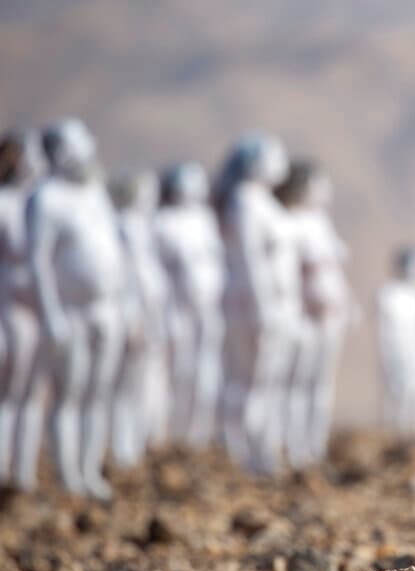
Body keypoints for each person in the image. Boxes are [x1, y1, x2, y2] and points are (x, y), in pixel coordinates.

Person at [28, 118, 125, 499]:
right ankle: (67, 476)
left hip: (106, 309)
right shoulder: (46, 199)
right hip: (71, 312)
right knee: (69, 393)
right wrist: (50, 314)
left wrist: (124, 301)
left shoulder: (94, 192)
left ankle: (89, 470)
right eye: (80, 141)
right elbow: (38, 261)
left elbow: (116, 248)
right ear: (62, 151)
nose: (90, 146)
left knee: (98, 394)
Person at [0, 129, 48, 490]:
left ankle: (24, 472)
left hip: (37, 313)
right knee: (6, 391)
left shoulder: (40, 202)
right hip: (8, 310)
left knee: (32, 392)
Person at [214, 135, 291, 473]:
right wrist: (262, 306)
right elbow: (250, 259)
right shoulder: (245, 201)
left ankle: (262, 449)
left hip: (276, 304)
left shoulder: (264, 202)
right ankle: (243, 451)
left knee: (268, 381)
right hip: (252, 305)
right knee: (250, 381)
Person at [278, 160, 353, 465]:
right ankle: (295, 446)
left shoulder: (321, 222)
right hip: (303, 316)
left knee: (321, 384)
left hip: (329, 316)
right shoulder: (289, 222)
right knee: (298, 382)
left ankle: (315, 443)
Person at [155, 162, 225, 451]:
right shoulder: (163, 222)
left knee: (206, 372)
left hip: (208, 308)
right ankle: (174, 434)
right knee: (179, 372)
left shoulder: (205, 220)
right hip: (177, 308)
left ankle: (199, 434)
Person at [109, 171, 168, 467]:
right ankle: (122, 449)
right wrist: (132, 316)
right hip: (132, 317)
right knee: (125, 387)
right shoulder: (121, 227)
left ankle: (137, 442)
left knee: (143, 385)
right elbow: (123, 278)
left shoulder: (143, 228)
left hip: (150, 316)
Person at [376, 246, 415, 437]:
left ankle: (413, 430)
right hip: (396, 350)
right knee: (398, 392)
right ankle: (396, 432)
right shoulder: (388, 294)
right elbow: (386, 330)